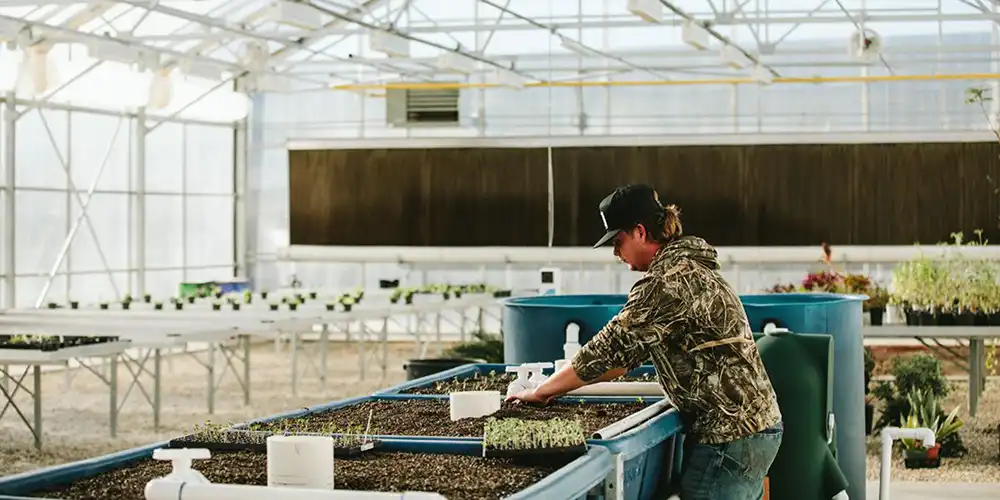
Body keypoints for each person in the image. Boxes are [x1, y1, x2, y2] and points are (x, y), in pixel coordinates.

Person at [507, 184, 783, 500]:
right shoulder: (689, 267)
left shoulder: (666, 283)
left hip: (730, 435)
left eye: (617, 241)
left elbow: (607, 352)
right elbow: (622, 362)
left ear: (640, 232)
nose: (614, 252)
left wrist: (541, 392)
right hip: (749, 428)